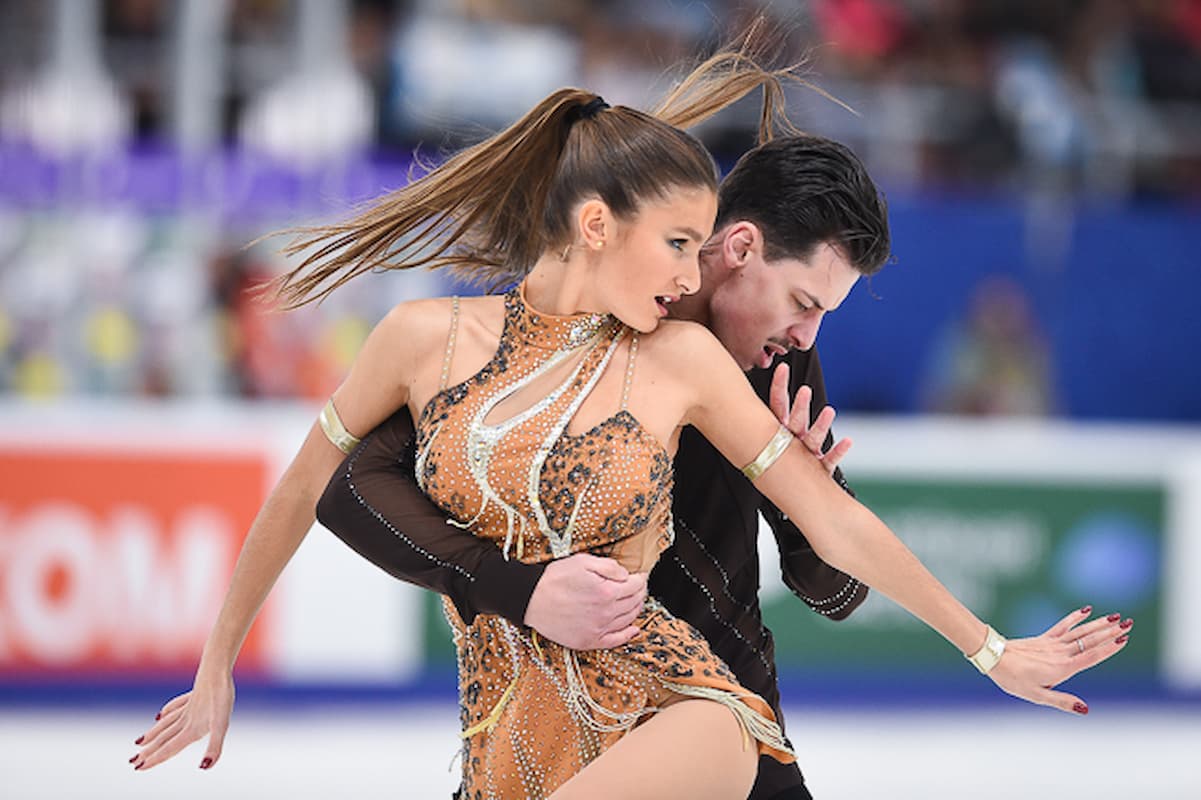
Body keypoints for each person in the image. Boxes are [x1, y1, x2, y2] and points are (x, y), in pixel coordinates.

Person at [129, 46, 1131, 800]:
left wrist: (990, 647)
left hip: (700, 707)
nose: (692, 274)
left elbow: (828, 550)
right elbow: (332, 487)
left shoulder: (717, 360)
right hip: (518, 724)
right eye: (682, 245)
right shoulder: (440, 338)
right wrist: (218, 664)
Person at [315, 133, 883, 800]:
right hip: (546, 738)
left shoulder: (773, 357)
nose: (806, 332)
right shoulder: (551, 327)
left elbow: (834, 592)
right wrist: (507, 584)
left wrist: (807, 489)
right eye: (805, 304)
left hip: (715, 731)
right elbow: (350, 487)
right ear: (740, 249)